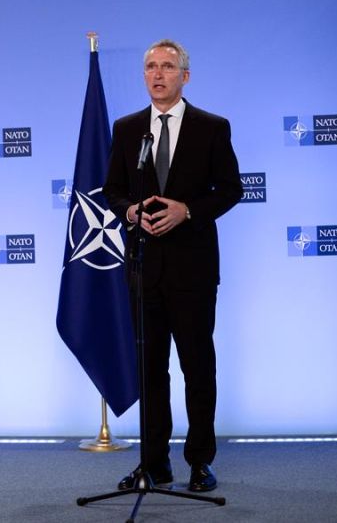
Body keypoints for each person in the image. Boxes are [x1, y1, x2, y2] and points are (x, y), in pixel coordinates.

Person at [103, 40, 242, 492]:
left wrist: (189, 210)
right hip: (144, 268)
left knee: (197, 367)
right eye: (150, 67)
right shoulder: (127, 130)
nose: (158, 74)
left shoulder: (211, 127)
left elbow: (231, 189)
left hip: (193, 269)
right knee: (150, 371)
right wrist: (129, 212)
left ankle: (200, 462)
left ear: (185, 75)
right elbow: (113, 189)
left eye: (167, 66)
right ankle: (153, 464)